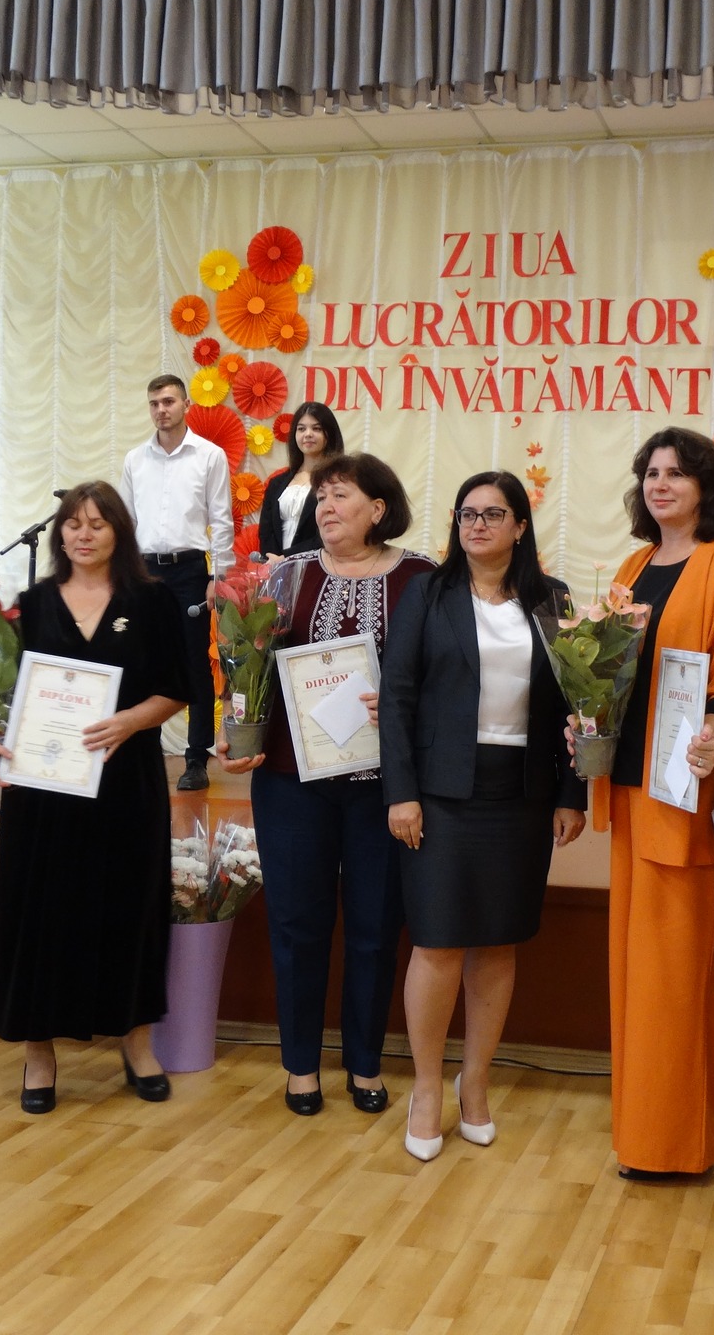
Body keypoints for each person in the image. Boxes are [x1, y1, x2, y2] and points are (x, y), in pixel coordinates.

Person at [215, 452, 436, 1117]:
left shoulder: (422, 579)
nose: (327, 507)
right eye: (321, 498)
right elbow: (248, 665)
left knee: (375, 926)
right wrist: (235, 724)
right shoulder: (287, 575)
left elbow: (447, 674)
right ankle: (301, 1066)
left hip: (382, 786)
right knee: (296, 923)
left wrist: (402, 706)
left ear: (379, 508)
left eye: (341, 495)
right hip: (292, 780)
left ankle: (365, 1063)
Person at [379, 472, 588, 1161]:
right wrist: (401, 793)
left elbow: (576, 705)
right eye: (467, 514)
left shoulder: (552, 599)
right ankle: (427, 1088)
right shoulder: (427, 593)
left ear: (520, 526)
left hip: (521, 795)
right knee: (438, 942)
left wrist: (572, 793)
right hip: (438, 794)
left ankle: (475, 1083)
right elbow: (397, 696)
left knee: (497, 942)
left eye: (493, 514)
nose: (477, 525)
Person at [0, 482, 189, 1114]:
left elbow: (177, 687)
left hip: (126, 782)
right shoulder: (31, 604)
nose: (83, 534)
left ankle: (137, 1044)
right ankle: (39, 1054)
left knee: (130, 910)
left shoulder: (151, 600)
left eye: (97, 523)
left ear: (120, 531)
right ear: (59, 533)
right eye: (73, 524)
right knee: (39, 910)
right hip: (45, 786)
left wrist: (129, 721)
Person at [599, 428, 714, 1179]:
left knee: (676, 979)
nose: (660, 484)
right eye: (651, 473)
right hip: (631, 789)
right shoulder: (634, 566)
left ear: (707, 488)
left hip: (685, 795)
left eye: (677, 473)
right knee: (635, 974)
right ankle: (642, 1135)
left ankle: (676, 1144)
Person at [119, 373, 233, 792]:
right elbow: (126, 522)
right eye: (154, 403)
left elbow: (221, 520)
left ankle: (196, 757)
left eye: (168, 401)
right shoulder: (135, 459)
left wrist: (218, 578)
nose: (161, 410)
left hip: (189, 571)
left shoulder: (209, 456)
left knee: (193, 664)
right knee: (141, 660)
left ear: (186, 405)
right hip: (144, 572)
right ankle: (139, 750)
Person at [258, 401, 342, 559]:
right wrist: (275, 561)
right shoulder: (277, 483)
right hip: (276, 567)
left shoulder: (339, 481)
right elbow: (266, 532)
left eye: (316, 428)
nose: (308, 434)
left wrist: (288, 558)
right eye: (301, 429)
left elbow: (331, 532)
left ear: (329, 434)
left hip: (319, 564)